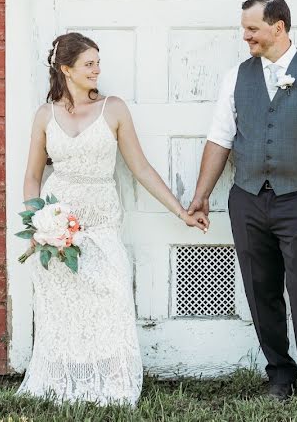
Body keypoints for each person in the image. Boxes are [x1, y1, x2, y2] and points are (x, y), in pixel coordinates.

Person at [16, 32, 208, 406]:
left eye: (98, 63)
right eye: (89, 64)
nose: (97, 70)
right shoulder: (45, 115)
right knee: (63, 305)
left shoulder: (114, 109)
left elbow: (141, 168)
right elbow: (31, 175)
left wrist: (180, 211)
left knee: (110, 297)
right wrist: (38, 222)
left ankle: (110, 382)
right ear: (65, 69)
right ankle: (63, 381)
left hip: (101, 219)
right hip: (59, 220)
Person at [187, 0, 297, 411]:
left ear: (277, 27)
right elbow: (220, 138)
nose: (245, 36)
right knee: (260, 290)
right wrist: (202, 195)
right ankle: (279, 373)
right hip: (248, 200)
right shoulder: (236, 77)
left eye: (252, 29)